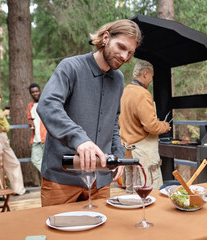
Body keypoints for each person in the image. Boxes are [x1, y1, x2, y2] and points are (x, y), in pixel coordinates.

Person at [37, 19, 142, 206]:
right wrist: (80, 139)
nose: (125, 56)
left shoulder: (118, 79)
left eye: (130, 53)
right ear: (106, 37)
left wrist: (117, 154)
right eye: (121, 47)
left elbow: (114, 122)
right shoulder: (70, 67)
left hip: (101, 182)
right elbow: (48, 105)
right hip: (61, 180)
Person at [119, 60, 171, 194]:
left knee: (131, 194)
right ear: (146, 74)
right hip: (143, 156)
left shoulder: (125, 92)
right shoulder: (142, 94)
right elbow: (151, 126)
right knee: (148, 195)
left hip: (128, 153)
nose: (151, 81)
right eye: (151, 77)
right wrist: (164, 126)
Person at [27, 83, 47, 172]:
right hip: (36, 138)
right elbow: (29, 119)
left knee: (48, 160)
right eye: (33, 92)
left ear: (40, 91)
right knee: (35, 160)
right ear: (30, 94)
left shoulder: (45, 103)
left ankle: (49, 179)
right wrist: (30, 123)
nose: (35, 93)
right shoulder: (30, 106)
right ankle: (48, 175)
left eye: (36, 91)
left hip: (46, 137)